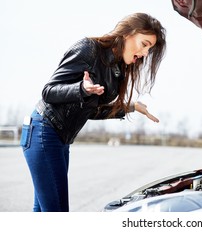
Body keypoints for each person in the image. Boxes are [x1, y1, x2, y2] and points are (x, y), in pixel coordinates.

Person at [20, 13, 167, 212]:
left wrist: (130, 107)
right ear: (128, 34)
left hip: (60, 139)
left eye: (149, 49)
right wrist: (81, 89)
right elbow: (48, 92)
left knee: (45, 210)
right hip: (43, 132)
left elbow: (92, 112)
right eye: (144, 44)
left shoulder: (117, 69)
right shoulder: (89, 49)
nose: (145, 53)